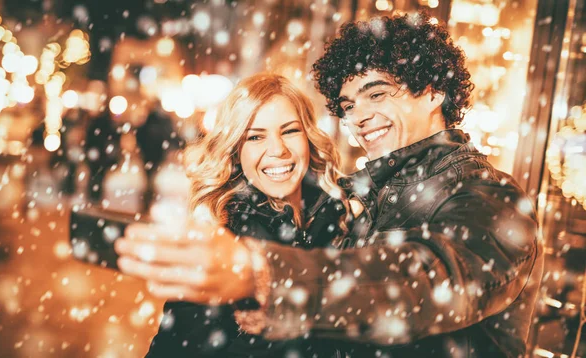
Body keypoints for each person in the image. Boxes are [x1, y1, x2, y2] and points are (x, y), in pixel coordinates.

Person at [116, 12, 544, 358]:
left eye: (378, 94)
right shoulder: (369, 200)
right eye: (348, 105)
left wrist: (263, 276)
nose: (358, 117)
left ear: (433, 91)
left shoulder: (487, 194)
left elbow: (432, 280)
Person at [128, 73, 351, 357]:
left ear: (308, 136)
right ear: (235, 151)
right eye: (255, 136)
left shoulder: (340, 219)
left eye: (290, 131)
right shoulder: (221, 244)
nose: (278, 149)